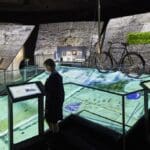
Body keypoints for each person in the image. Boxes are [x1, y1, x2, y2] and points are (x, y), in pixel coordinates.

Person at [44, 58, 64, 133]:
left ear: (49, 66)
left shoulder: (53, 77)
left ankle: (54, 134)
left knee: (50, 119)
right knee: (54, 120)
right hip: (57, 102)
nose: (45, 68)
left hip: (53, 103)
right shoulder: (57, 76)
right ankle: (54, 132)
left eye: (45, 66)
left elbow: (49, 91)